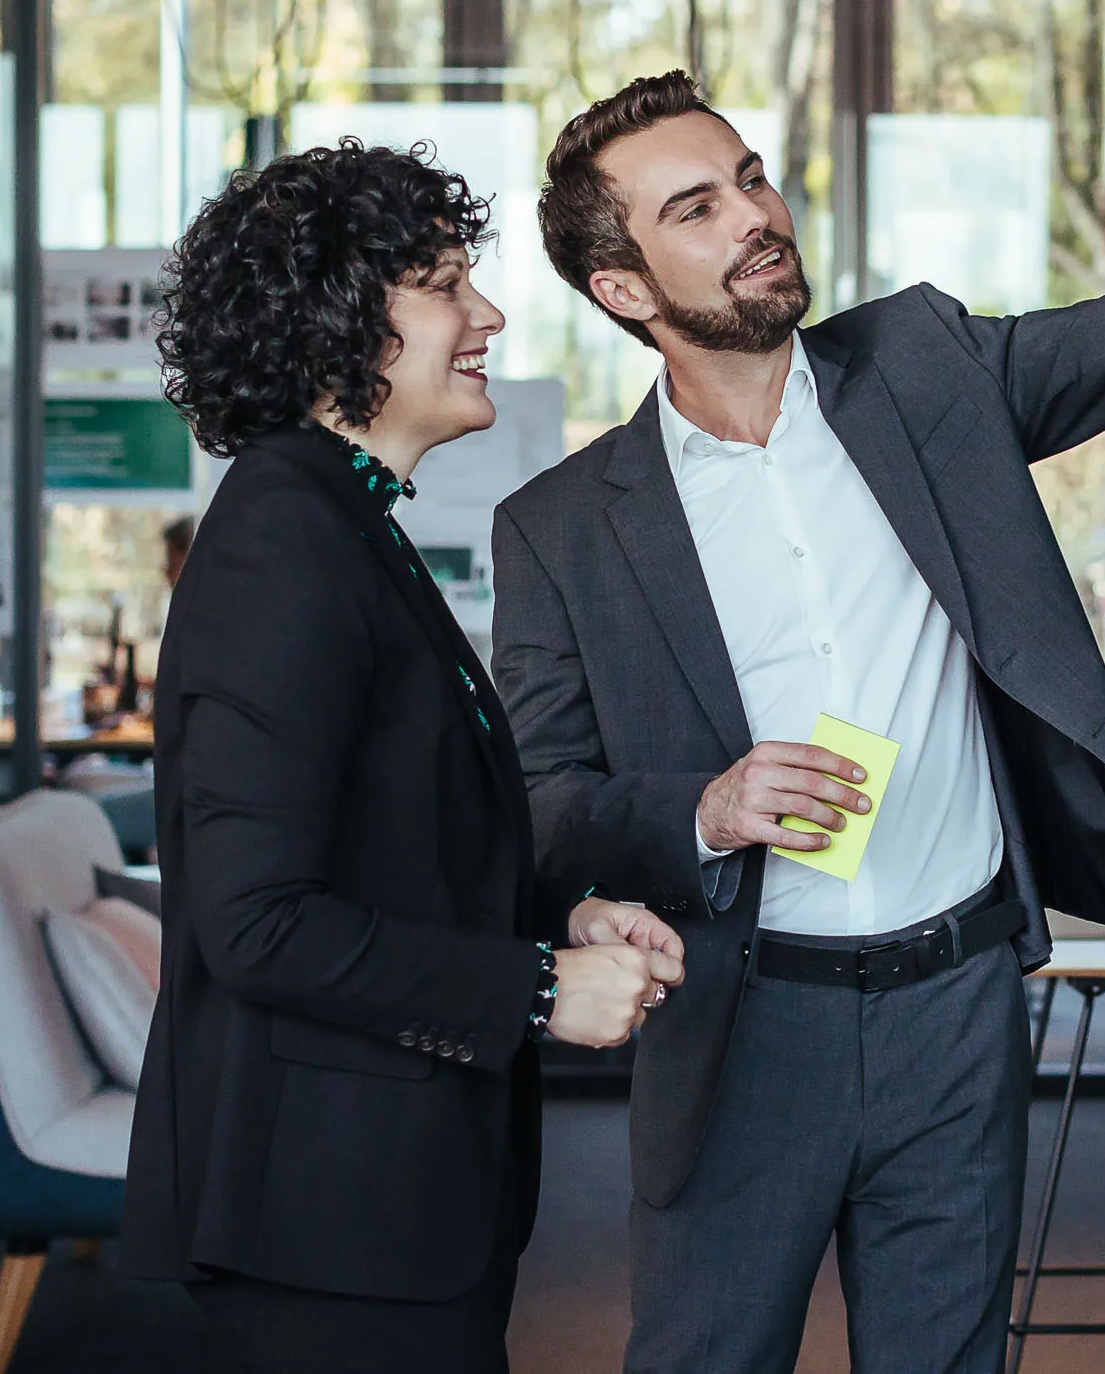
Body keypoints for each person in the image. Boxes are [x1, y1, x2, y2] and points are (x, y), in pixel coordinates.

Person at [490, 60, 1105, 1373]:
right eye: (696, 208)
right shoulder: (562, 527)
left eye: (748, 177)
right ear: (621, 289)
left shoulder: (922, 367)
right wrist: (706, 808)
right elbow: (541, 800)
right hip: (740, 1025)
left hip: (955, 1004)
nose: (753, 215)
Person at [120, 138, 684, 1374]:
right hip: (325, 1216)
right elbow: (255, 920)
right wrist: (537, 986)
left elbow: (394, 845)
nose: (486, 315)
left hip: (377, 1201)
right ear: (330, 325)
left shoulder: (343, 521)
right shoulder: (287, 540)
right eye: (441, 285)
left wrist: (565, 915)